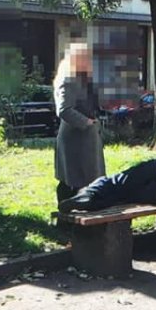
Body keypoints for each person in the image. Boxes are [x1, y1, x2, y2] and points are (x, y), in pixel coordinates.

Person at [53, 41, 106, 205]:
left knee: (90, 180)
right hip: (74, 138)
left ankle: (85, 210)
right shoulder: (68, 79)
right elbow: (64, 110)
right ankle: (66, 212)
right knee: (72, 180)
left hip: (88, 137)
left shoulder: (84, 77)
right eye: (87, 58)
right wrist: (86, 123)